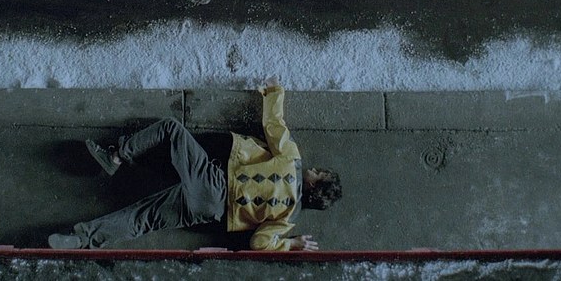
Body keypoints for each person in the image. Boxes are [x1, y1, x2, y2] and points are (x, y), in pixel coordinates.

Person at [48, 77, 342, 251]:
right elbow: (259, 244)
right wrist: (290, 244)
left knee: (171, 129)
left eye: (318, 173)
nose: (314, 169)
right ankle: (80, 240)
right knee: (141, 219)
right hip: (211, 209)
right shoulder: (288, 218)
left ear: (314, 182)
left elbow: (275, 125)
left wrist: (275, 91)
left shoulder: (292, 161)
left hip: (213, 179)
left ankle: (115, 157)